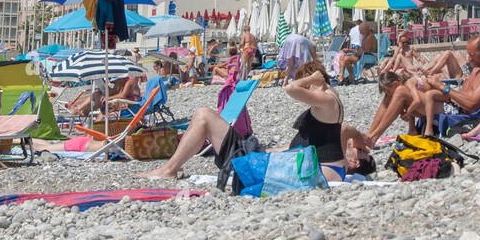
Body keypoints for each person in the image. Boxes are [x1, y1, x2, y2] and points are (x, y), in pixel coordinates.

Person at [137, 62, 375, 182]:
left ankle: (168, 170)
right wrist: (357, 137)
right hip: (286, 162)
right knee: (205, 116)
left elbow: (291, 89)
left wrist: (310, 79)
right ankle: (169, 168)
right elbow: (338, 133)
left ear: (314, 81)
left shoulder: (325, 99)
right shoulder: (333, 104)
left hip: (276, 166)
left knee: (203, 115)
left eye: (307, 82)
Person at [414, 36, 480, 135]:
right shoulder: (476, 70)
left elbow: (471, 104)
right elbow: (463, 92)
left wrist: (443, 87)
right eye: (468, 55)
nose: (469, 59)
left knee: (410, 97)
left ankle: (422, 128)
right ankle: (412, 127)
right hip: (452, 101)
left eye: (472, 55)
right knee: (416, 90)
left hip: (458, 110)